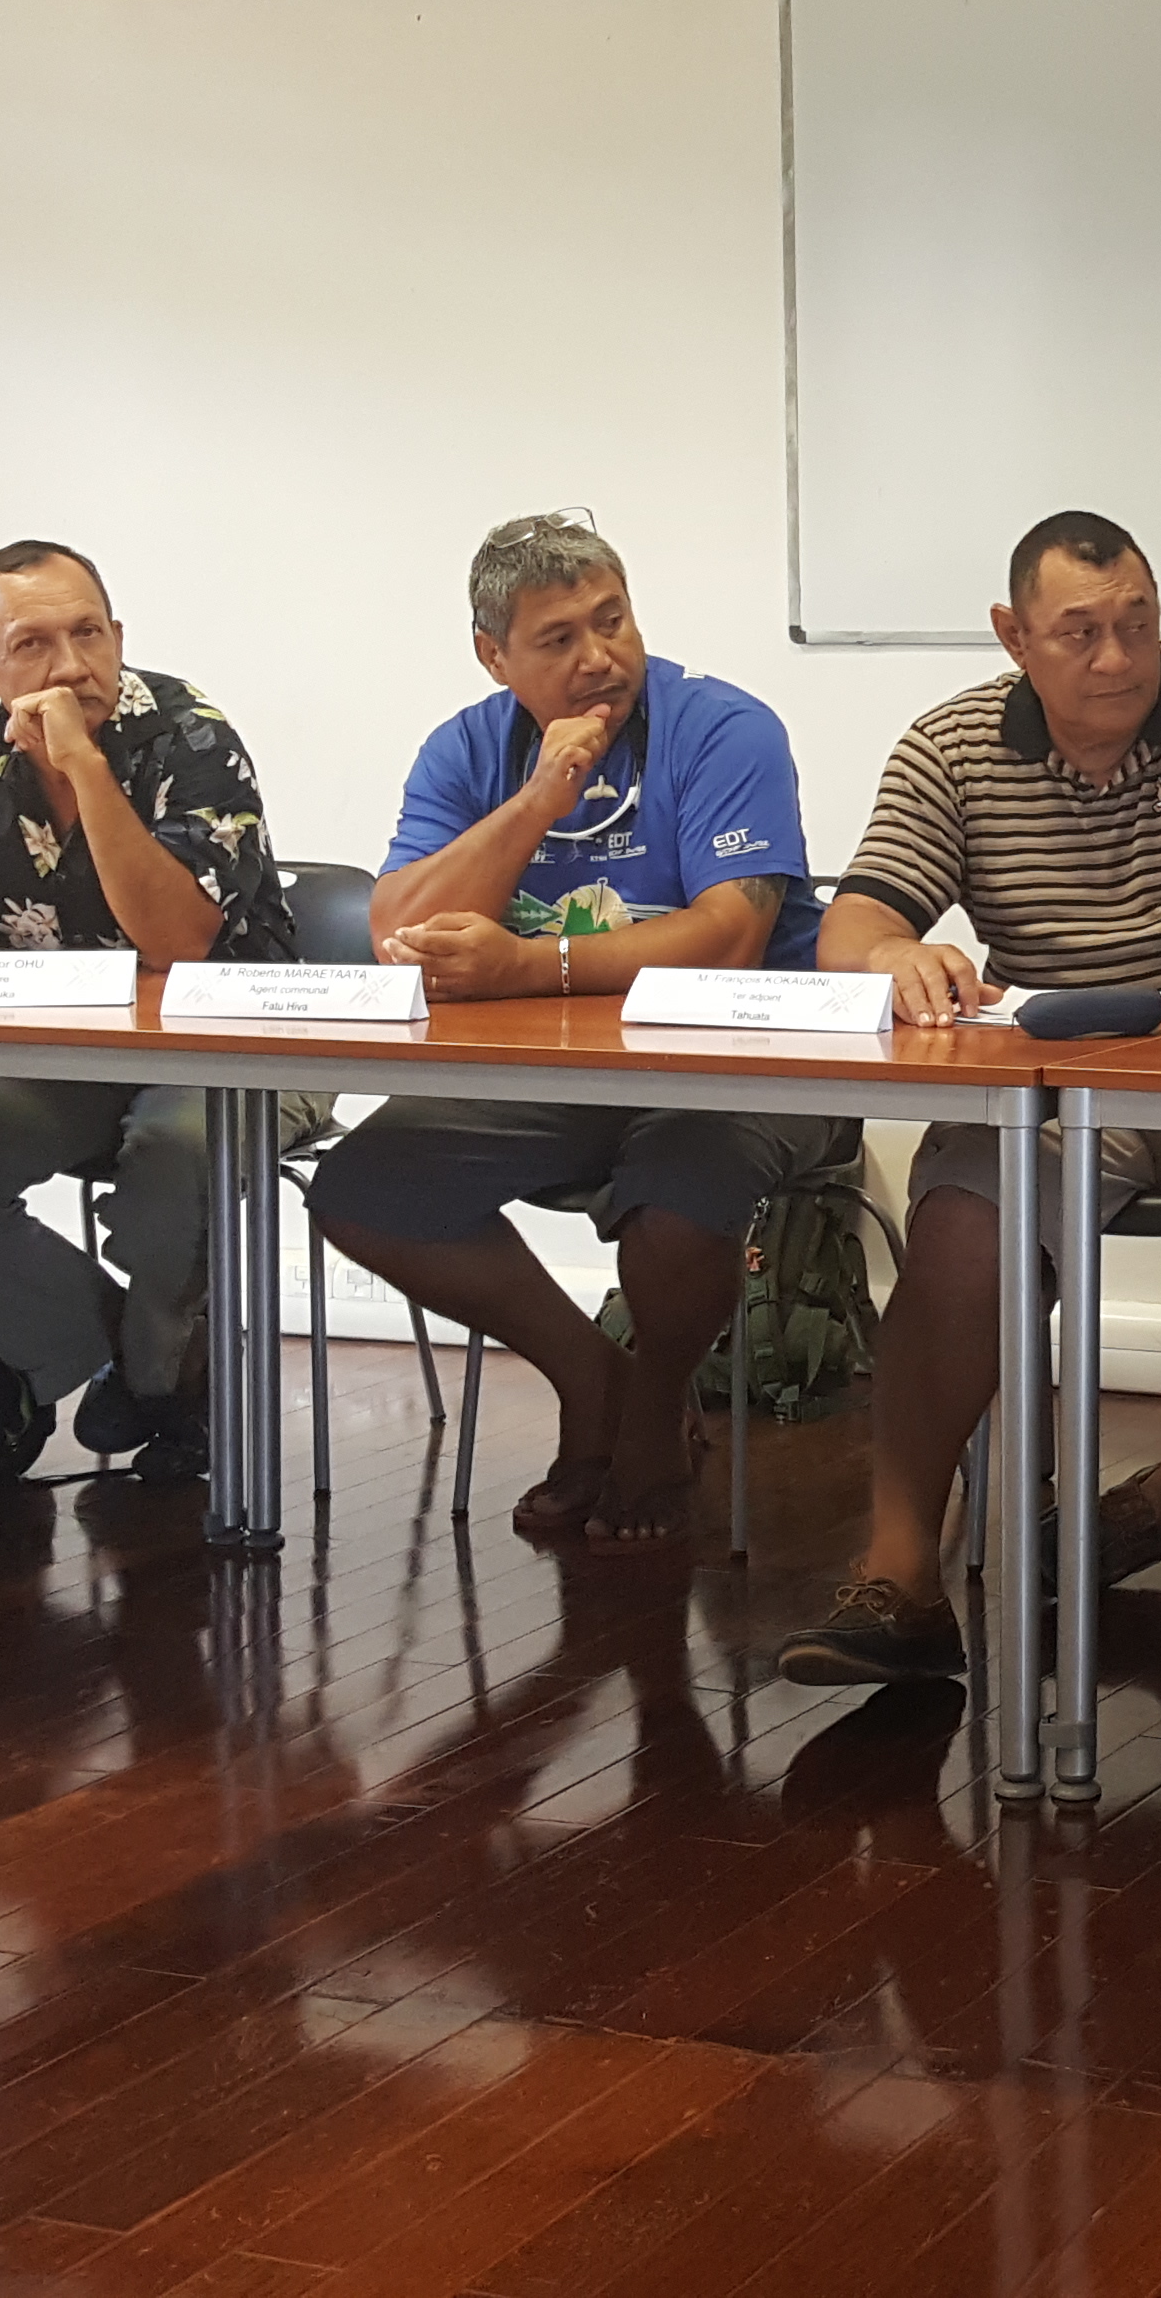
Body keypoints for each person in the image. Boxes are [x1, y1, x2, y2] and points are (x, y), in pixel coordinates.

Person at [773, 511, 1161, 1691]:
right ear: (1013, 636)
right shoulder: (950, 745)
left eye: (1137, 624)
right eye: (1080, 633)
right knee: (959, 1235)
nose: (1118, 659)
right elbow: (855, 919)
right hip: (1052, 1083)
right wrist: (890, 955)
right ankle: (899, 1576)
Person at [308, 514, 852, 1547]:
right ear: (494, 656)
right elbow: (398, 932)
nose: (600, 657)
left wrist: (531, 964)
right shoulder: (468, 748)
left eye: (613, 621)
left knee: (675, 1203)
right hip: (559, 1078)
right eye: (558, 639)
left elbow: (731, 936)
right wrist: (540, 797)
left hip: (746, 1065)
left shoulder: (724, 728)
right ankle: (595, 1380)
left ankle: (653, 1411)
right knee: (363, 1190)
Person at [0, 540, 304, 1473]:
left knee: (176, 1153)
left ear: (119, 635)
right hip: (71, 1049)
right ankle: (145, 1359)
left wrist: (84, 766)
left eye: (89, 635)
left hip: (235, 1039)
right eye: (33, 644)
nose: (73, 666)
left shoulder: (190, 735)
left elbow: (176, 939)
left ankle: (165, 1381)